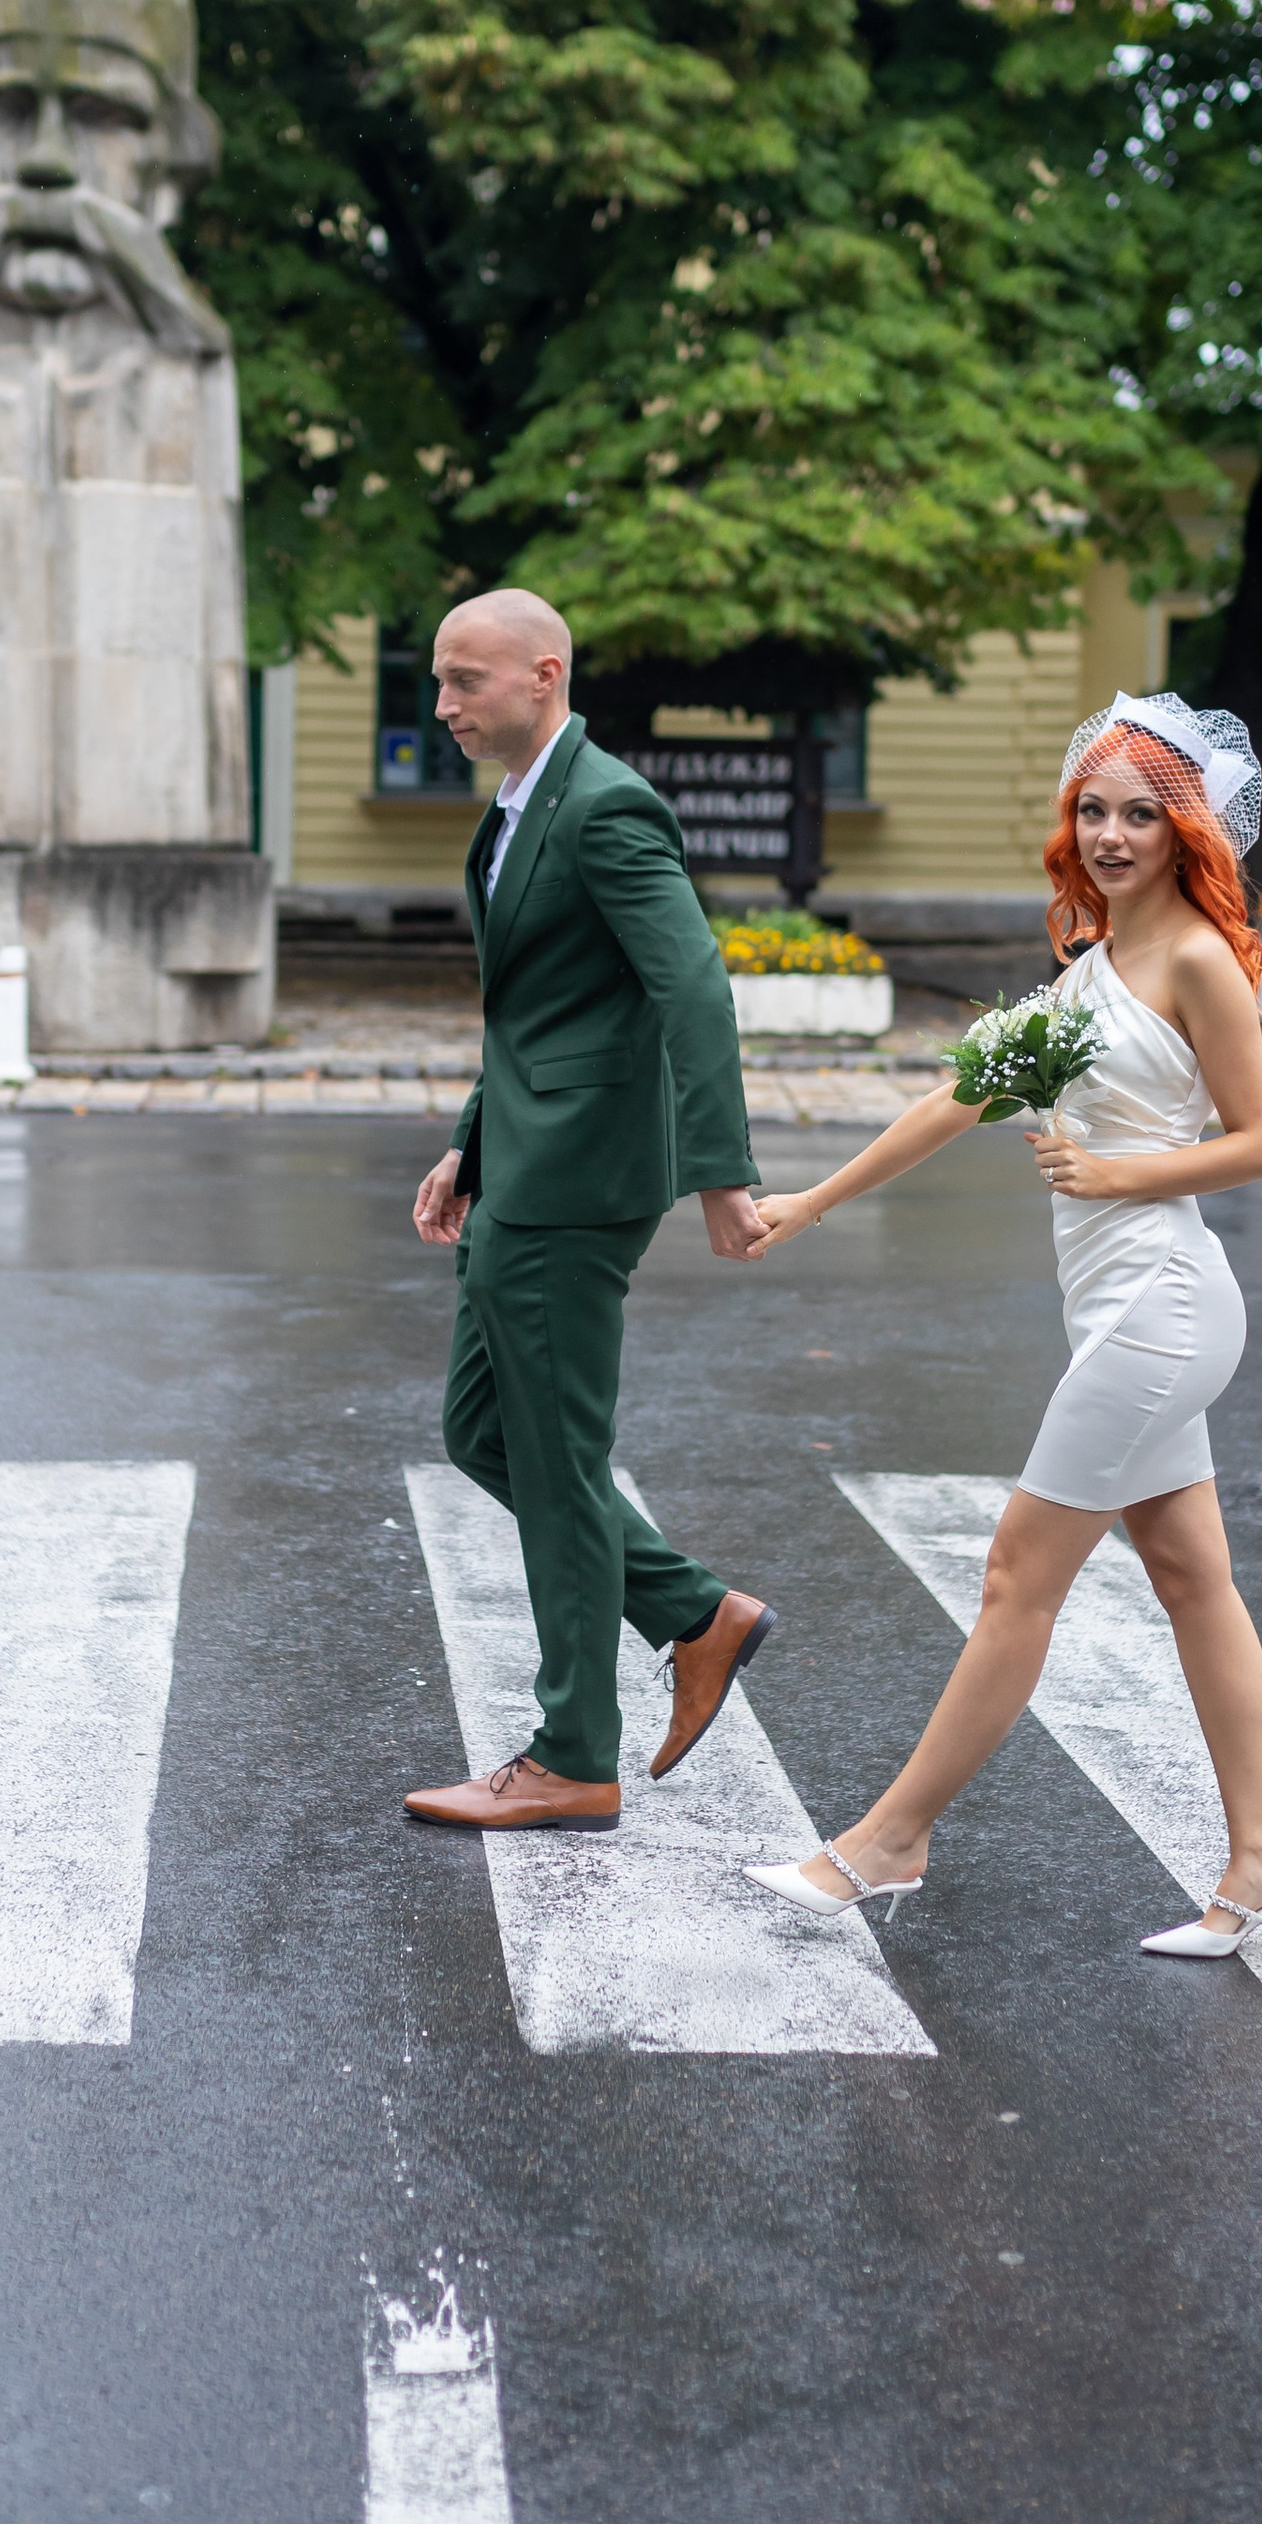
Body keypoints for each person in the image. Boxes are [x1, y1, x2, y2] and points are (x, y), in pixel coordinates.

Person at [737, 692, 1262, 1960]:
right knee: (1191, 1578)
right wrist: (812, 1204)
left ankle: (889, 1838)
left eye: (1139, 815)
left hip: (1160, 1305)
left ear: (1184, 832)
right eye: (1091, 811)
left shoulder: (1198, 962)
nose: (1110, 835)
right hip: (1120, 1306)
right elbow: (957, 1099)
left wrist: (1117, 1173)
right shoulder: (1084, 973)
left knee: (1014, 1576)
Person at [404, 593, 776, 1834]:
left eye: (465, 681)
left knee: (556, 1464)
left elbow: (692, 987)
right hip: (523, 1162)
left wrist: (721, 1175)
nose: (445, 705)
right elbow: (537, 1009)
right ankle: (692, 1611)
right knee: (483, 1433)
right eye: (440, 682)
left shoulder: (605, 805)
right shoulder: (520, 805)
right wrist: (468, 1144)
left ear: (543, 674)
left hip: (575, 1184)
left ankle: (573, 1755)